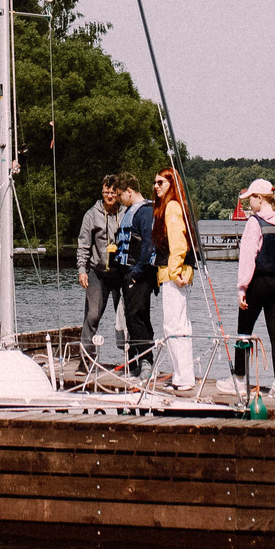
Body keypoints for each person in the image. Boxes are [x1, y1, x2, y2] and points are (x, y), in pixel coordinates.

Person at [221, 177, 275, 400]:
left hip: (259, 281)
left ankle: (240, 380)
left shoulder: (255, 222)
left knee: (244, 330)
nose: (247, 204)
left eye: (250, 199)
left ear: (260, 199)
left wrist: (242, 288)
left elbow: (248, 257)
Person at [151, 165, 197, 391]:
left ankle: (183, 377)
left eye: (161, 182)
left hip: (173, 274)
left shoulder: (171, 207)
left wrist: (175, 270)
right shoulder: (174, 206)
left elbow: (179, 242)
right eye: (155, 182)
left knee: (174, 325)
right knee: (178, 324)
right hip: (173, 273)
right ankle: (181, 374)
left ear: (171, 185)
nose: (156, 186)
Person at [75, 175, 128, 362]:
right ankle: (86, 359)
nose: (110, 196)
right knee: (93, 314)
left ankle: (132, 359)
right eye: (107, 192)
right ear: (102, 192)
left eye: (113, 192)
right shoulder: (91, 215)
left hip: (121, 273)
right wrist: (82, 270)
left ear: (119, 193)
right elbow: (83, 245)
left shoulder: (125, 213)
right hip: (98, 273)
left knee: (124, 316)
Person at [115, 175, 158, 376]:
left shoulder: (145, 212)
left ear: (129, 191)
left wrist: (136, 273)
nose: (118, 199)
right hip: (128, 272)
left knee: (137, 315)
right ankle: (136, 362)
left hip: (139, 274)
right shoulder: (130, 211)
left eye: (120, 195)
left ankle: (147, 361)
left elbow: (148, 246)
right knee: (131, 316)